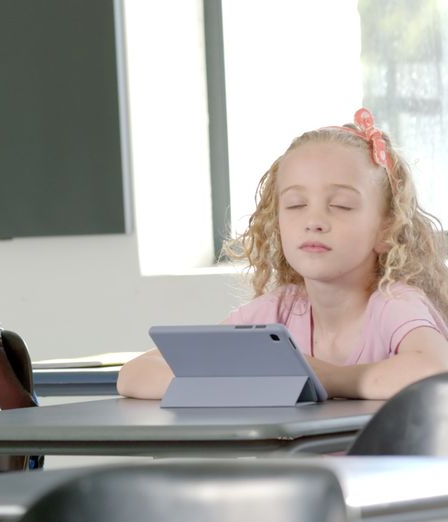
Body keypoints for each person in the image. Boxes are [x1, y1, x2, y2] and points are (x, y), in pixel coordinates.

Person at [118, 108, 448, 400]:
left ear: (386, 231)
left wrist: (324, 378)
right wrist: (251, 382)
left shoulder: (394, 304)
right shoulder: (278, 311)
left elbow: (434, 370)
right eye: (296, 205)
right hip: (297, 470)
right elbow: (133, 375)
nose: (314, 221)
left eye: (341, 206)